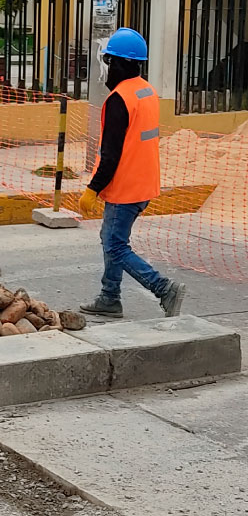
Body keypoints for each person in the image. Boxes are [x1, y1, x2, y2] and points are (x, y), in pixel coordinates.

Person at [79, 28, 186, 318]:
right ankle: (109, 297)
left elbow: (111, 155)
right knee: (113, 239)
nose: (105, 66)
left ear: (118, 64)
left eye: (108, 60)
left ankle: (164, 288)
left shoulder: (119, 99)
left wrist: (92, 188)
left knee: (114, 245)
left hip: (125, 186)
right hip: (145, 183)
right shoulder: (147, 91)